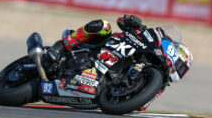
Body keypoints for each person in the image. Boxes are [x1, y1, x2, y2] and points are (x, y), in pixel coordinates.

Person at [46, 14, 192, 83]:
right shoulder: (148, 40)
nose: (178, 70)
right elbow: (121, 21)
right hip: (99, 47)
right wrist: (131, 22)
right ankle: (60, 47)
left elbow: (139, 106)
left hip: (100, 85)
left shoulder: (156, 83)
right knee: (103, 25)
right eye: (179, 65)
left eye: (182, 69)